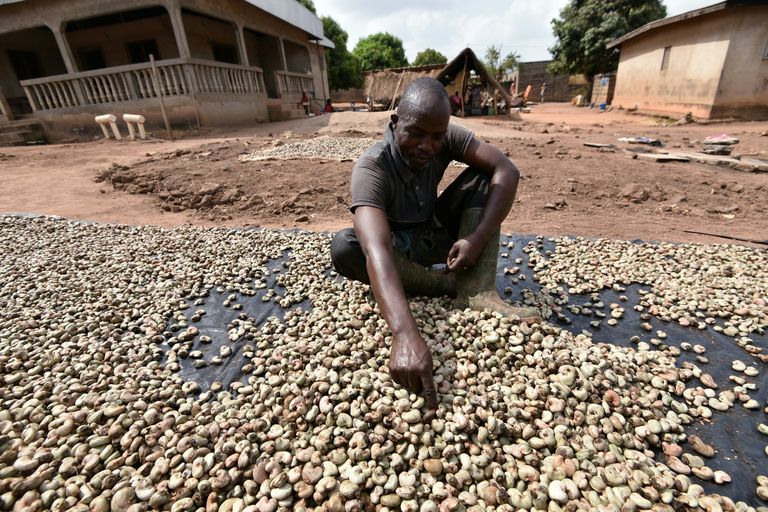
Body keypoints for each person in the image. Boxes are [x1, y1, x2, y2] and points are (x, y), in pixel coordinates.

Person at [330, 78, 540, 407]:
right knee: (345, 246)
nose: (427, 146)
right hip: (396, 249)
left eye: (436, 137)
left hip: (434, 234)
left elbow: (506, 170)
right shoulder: (372, 167)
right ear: (395, 123)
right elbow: (377, 250)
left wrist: (476, 236)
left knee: (486, 178)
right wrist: (404, 332)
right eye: (415, 133)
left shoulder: (443, 136)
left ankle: (476, 290)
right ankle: (445, 284)